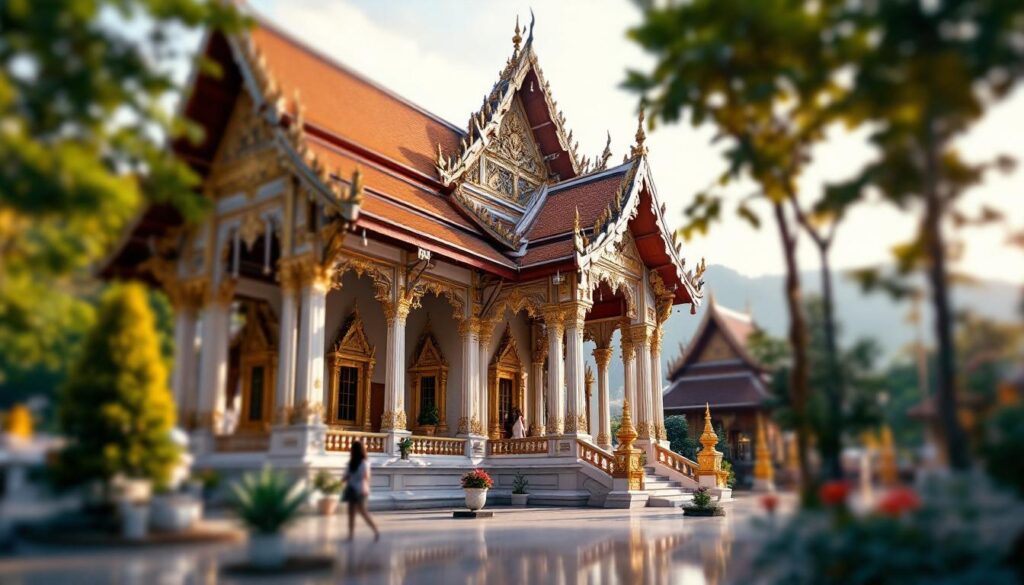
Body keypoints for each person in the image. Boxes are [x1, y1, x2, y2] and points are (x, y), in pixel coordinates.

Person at [342, 440, 379, 542]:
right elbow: (366, 477)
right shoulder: (363, 463)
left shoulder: (354, 463)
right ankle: (373, 530)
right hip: (359, 489)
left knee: (353, 513)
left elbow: (346, 476)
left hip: (354, 489)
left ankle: (352, 534)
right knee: (361, 512)